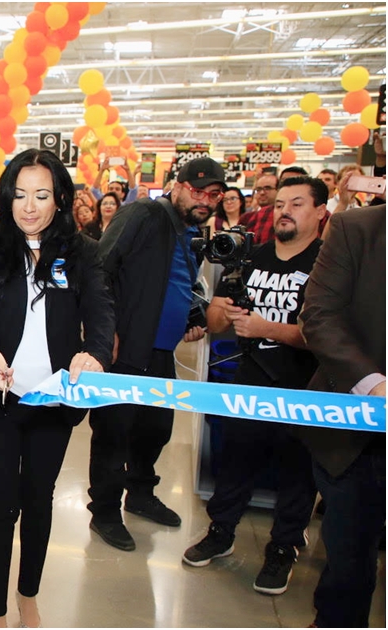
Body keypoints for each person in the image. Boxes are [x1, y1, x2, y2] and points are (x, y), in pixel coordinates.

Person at [0, 149, 114, 628]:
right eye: (20, 195)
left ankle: (28, 594)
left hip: (51, 401)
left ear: (60, 198)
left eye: (41, 195)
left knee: (38, 500)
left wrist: (97, 353)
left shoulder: (82, 250)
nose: (29, 206)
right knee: (0, 505)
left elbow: (102, 310)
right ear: (6, 197)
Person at [183, 176, 326, 596]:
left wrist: (268, 328)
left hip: (304, 386)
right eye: (280, 203)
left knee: (298, 473)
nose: (284, 210)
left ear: (320, 211)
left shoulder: (327, 265)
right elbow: (214, 325)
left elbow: (324, 334)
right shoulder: (252, 259)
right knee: (235, 462)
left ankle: (283, 550)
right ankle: (220, 532)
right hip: (250, 382)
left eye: (297, 203)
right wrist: (220, 311)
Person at [86, 157, 224, 552]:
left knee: (156, 429)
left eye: (214, 194)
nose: (205, 200)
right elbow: (101, 268)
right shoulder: (144, 214)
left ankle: (141, 494)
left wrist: (189, 318)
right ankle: (105, 510)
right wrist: (104, 332)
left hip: (162, 350)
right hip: (126, 347)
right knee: (114, 433)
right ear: (176, 186)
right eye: (198, 191)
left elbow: (177, 284)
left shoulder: (191, 231)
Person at [296, 204, 385, 628]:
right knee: (350, 563)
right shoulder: (358, 229)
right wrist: (374, 384)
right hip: (358, 438)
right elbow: (319, 315)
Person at [239, 172, 278, 244]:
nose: (262, 192)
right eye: (259, 189)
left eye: (267, 188)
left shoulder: (283, 216)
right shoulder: (246, 218)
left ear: (278, 190)